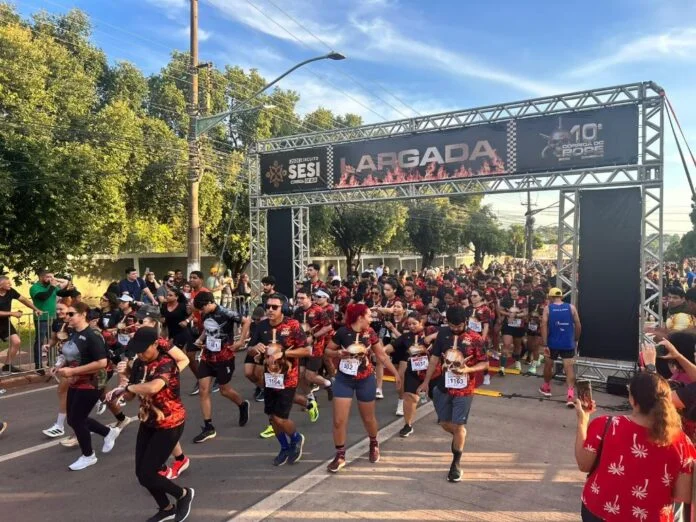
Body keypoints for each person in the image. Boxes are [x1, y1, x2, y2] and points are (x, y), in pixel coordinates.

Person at [574, 371, 694, 522]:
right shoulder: (682, 442)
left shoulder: (606, 425)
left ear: (632, 400)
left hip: (599, 511)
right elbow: (683, 495)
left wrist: (582, 421)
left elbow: (584, 464)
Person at [106, 327, 195, 522]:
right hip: (148, 421)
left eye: (143, 349)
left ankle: (183, 494)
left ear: (155, 344)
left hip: (170, 422)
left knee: (148, 473)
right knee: (141, 473)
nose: (140, 354)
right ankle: (166, 508)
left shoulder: (166, 362)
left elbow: (154, 386)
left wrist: (129, 387)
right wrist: (122, 388)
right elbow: (131, 396)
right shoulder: (139, 363)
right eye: (137, 350)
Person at [324, 303, 401, 473]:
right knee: (339, 420)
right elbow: (327, 351)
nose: (371, 318)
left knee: (368, 418)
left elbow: (381, 355)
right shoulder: (342, 332)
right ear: (360, 317)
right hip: (344, 379)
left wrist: (396, 373)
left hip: (365, 379)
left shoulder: (370, 332)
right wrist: (338, 354)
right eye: (368, 315)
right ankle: (340, 455)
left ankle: (374, 442)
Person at [417, 305, 488, 482]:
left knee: (458, 426)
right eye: (452, 326)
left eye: (459, 326)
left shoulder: (476, 339)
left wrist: (468, 370)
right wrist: (426, 382)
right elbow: (434, 358)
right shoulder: (443, 333)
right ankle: (459, 434)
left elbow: (484, 363)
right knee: (444, 422)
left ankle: (456, 464)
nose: (456, 329)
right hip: (443, 386)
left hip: (465, 389)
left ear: (465, 322)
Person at [55, 302, 121, 471]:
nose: (67, 317)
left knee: (77, 419)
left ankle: (88, 456)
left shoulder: (93, 335)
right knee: (73, 418)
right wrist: (61, 364)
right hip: (76, 380)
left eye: (71, 314)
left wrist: (72, 371)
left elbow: (102, 362)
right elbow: (71, 354)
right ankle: (108, 432)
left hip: (93, 381)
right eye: (67, 314)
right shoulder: (73, 333)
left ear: (83, 314)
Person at [249, 294, 310, 466]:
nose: (270, 310)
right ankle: (284, 447)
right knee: (271, 417)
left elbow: (306, 350)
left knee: (280, 418)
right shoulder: (261, 326)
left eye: (274, 307)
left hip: (288, 378)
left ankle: (296, 438)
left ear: (282, 308)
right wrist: (254, 349)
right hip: (269, 378)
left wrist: (284, 353)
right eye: (267, 306)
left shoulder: (293, 325)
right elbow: (250, 349)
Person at [191, 291, 250, 443]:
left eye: (202, 308)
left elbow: (246, 321)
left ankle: (242, 405)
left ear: (209, 303)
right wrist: (200, 339)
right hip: (208, 355)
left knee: (224, 390)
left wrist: (240, 341)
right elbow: (207, 328)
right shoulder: (205, 313)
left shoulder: (226, 312)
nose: (201, 312)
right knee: (203, 390)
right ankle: (208, 426)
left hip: (224, 356)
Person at [389, 311, 437, 438]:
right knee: (409, 396)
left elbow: (445, 331)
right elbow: (391, 346)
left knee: (436, 396)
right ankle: (408, 425)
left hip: (432, 371)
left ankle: (442, 413)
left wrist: (430, 337)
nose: (411, 326)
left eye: (414, 323)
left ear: (421, 322)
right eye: (409, 324)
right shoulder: (406, 337)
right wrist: (379, 351)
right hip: (413, 370)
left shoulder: (430, 330)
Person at [539, 287, 582, 407]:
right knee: (569, 368)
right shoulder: (571, 307)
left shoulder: (548, 308)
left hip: (552, 343)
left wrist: (545, 343)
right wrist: (576, 339)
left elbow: (543, 325)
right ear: (561, 296)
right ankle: (570, 395)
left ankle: (546, 387)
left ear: (550, 297)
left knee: (548, 365)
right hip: (567, 343)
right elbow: (578, 324)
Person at [0, 275, 44, 373]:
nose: (10, 284)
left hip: (4, 322)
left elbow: (23, 299)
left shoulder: (10, 291)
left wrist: (36, 309)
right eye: (8, 283)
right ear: (0, 285)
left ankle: (7, 366)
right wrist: (12, 313)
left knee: (16, 341)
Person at [30, 270, 69, 373]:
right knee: (40, 341)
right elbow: (43, 297)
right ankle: (38, 366)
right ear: (41, 277)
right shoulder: (34, 288)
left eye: (52, 277)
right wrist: (52, 286)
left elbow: (66, 282)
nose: (51, 279)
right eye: (48, 277)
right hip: (41, 318)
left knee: (53, 340)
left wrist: (55, 279)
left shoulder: (52, 286)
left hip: (53, 317)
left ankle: (52, 363)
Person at [498, 283, 528, 375]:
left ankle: (517, 361)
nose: (514, 291)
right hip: (508, 325)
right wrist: (508, 314)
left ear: (518, 290)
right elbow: (500, 310)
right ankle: (502, 367)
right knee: (506, 344)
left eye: (515, 290)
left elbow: (525, 312)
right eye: (512, 290)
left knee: (517, 345)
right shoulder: (505, 299)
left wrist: (516, 315)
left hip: (519, 326)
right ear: (509, 291)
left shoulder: (523, 300)